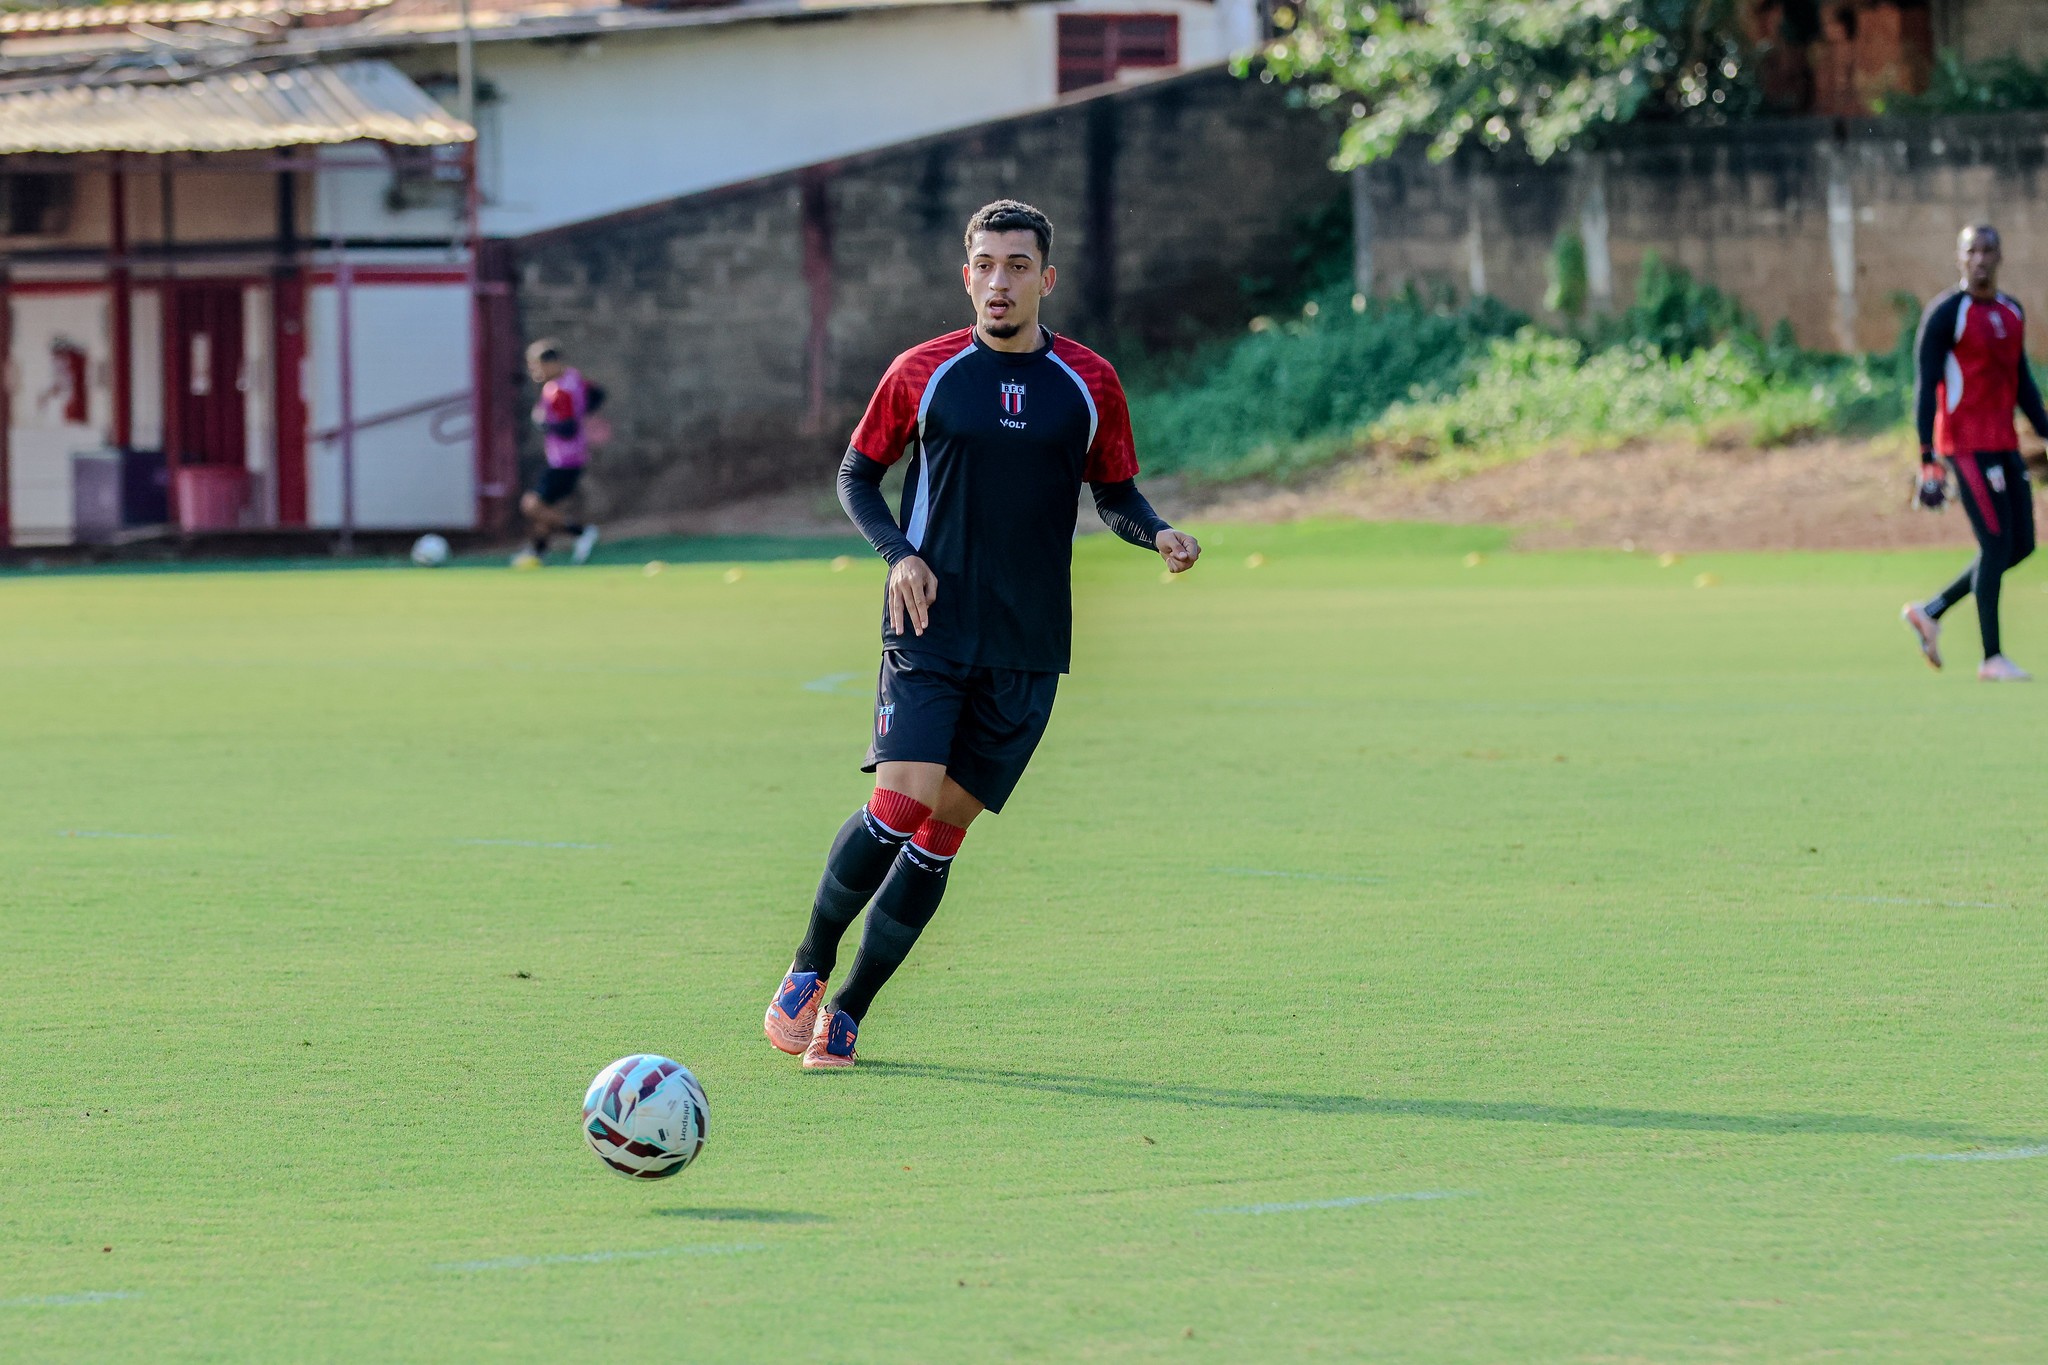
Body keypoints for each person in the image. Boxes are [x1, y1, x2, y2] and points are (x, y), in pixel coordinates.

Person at [761, 199, 1201, 1070]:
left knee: (942, 833)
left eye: (1016, 266)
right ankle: (810, 962)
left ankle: (848, 1011)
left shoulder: (1090, 381)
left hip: (1029, 645)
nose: (999, 282)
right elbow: (858, 474)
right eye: (985, 266)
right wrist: (897, 552)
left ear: (1046, 277)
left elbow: (1113, 491)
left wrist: (1158, 534)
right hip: (927, 628)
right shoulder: (923, 371)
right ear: (967, 275)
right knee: (901, 803)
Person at [1902, 224, 2048, 679]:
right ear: (1960, 258)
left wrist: (2045, 431)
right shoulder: (1947, 312)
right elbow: (1926, 385)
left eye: (1988, 250)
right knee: (1994, 543)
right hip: (1963, 445)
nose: (1980, 259)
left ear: (2000, 256)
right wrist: (1927, 455)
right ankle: (1992, 658)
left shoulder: (2011, 311)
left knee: (2021, 544)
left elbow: (2022, 382)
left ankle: (1931, 611)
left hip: (2003, 442)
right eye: (1972, 251)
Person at [513, 339, 604, 568]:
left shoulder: (558, 391)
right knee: (544, 508)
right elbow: (598, 393)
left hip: (565, 460)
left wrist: (543, 423)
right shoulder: (574, 378)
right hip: (573, 457)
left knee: (531, 505)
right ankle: (538, 553)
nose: (534, 371)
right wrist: (585, 411)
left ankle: (581, 532)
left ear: (552, 364)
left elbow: (568, 428)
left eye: (537, 366)